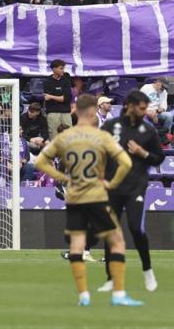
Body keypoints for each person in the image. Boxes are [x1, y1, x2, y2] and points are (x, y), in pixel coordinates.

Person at [33, 93, 141, 307]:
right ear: (92, 113)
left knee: (77, 244)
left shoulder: (65, 137)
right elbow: (126, 163)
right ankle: (118, 294)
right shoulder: (101, 137)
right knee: (117, 240)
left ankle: (83, 295)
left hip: (74, 197)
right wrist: (112, 183)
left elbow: (40, 162)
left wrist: (63, 178)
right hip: (97, 195)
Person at [97, 90, 164, 294]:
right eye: (142, 108)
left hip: (136, 185)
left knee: (136, 228)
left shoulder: (148, 130)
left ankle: (147, 270)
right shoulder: (110, 127)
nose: (145, 112)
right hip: (112, 186)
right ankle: (110, 277)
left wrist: (142, 153)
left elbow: (159, 157)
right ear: (130, 106)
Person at [43, 59, 73, 137]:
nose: (63, 70)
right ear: (54, 69)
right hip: (52, 111)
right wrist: (59, 97)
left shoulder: (66, 77)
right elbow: (46, 97)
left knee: (69, 134)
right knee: (54, 133)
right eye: (61, 68)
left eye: (63, 68)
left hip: (66, 111)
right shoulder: (47, 81)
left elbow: (66, 98)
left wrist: (51, 96)